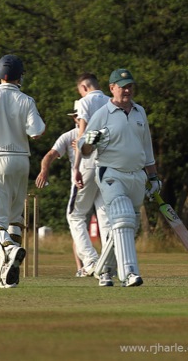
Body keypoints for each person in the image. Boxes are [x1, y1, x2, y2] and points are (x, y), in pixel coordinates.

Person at [77, 68, 161, 287]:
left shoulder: (139, 112)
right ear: (112, 88)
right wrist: (90, 142)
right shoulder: (102, 114)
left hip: (136, 176)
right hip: (110, 173)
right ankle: (129, 274)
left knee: (126, 226)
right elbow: (85, 150)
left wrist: (153, 178)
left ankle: (104, 270)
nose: (127, 90)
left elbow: (147, 148)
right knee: (123, 217)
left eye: (130, 86)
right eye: (122, 87)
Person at [0, 54, 45, 289]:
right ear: (20, 76)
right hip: (22, 161)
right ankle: (7, 277)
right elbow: (37, 132)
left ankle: (11, 250)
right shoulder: (27, 100)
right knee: (14, 220)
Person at [35, 102, 95, 277]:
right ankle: (82, 268)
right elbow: (50, 155)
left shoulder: (97, 133)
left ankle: (95, 263)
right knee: (78, 226)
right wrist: (44, 170)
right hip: (83, 184)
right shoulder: (68, 136)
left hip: (89, 182)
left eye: (78, 116)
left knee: (76, 220)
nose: (77, 119)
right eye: (75, 116)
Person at [67, 73, 111, 278]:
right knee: (104, 215)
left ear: (84, 87)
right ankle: (110, 264)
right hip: (109, 164)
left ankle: (91, 260)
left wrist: (76, 167)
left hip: (89, 163)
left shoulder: (84, 102)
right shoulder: (112, 101)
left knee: (75, 215)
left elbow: (82, 135)